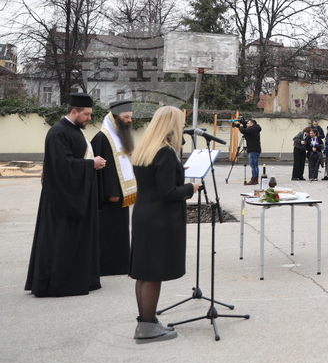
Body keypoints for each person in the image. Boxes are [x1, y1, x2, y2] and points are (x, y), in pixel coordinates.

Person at [129, 105, 201, 343]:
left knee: (144, 273)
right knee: (153, 274)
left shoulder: (145, 149)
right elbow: (168, 192)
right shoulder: (166, 151)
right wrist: (191, 187)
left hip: (143, 215)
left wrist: (178, 170)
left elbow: (154, 180)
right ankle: (147, 328)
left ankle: (145, 322)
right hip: (159, 220)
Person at [25, 92, 107, 297]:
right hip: (62, 200)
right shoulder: (58, 132)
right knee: (60, 241)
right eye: (87, 114)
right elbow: (62, 166)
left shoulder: (74, 130)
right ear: (74, 112)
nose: (90, 118)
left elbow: (76, 157)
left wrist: (91, 162)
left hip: (75, 195)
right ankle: (57, 283)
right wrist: (91, 164)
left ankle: (81, 278)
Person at [91, 99, 137, 276]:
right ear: (115, 117)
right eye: (126, 117)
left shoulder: (119, 136)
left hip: (121, 194)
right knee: (108, 231)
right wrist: (112, 192)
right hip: (110, 196)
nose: (129, 120)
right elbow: (104, 169)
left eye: (130, 117)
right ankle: (107, 266)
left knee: (120, 229)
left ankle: (120, 265)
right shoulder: (103, 138)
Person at [237, 118, 262, 186]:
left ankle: (254, 180)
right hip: (256, 149)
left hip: (253, 150)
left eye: (248, 123)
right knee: (255, 166)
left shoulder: (252, 129)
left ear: (252, 124)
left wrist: (241, 126)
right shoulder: (256, 128)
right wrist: (242, 123)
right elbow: (246, 130)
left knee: (253, 166)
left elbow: (243, 131)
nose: (247, 124)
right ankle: (255, 179)